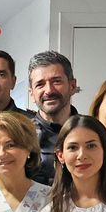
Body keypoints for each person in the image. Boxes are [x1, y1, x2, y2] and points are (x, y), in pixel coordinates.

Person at [25, 50, 80, 184]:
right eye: (40, 84)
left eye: (56, 81)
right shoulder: (21, 135)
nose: (49, 90)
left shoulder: (92, 131)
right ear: (31, 94)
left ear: (72, 86)